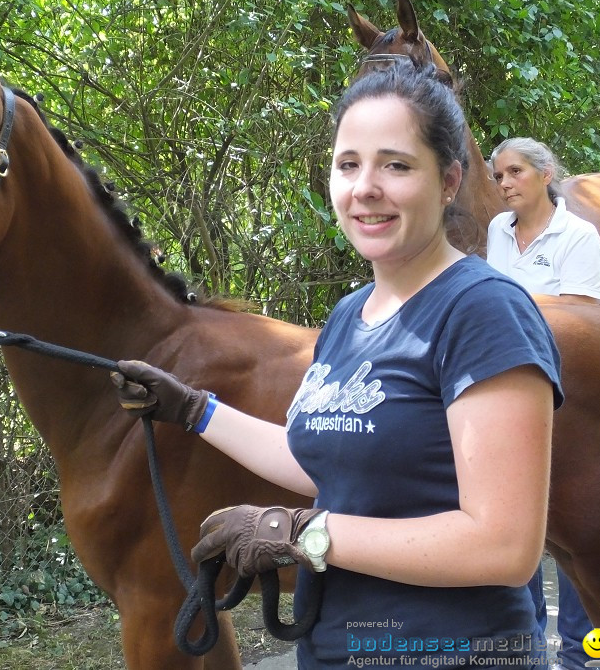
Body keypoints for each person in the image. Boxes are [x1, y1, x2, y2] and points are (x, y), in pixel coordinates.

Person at [112, 60, 562, 669]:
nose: (365, 187)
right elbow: (323, 457)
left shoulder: (483, 312)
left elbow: (504, 545)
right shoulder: (351, 315)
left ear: (450, 180)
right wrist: (193, 409)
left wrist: (297, 534)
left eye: (396, 165)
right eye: (348, 164)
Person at [486, 137, 600, 670]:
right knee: (517, 518)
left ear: (545, 172)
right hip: (505, 393)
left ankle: (580, 655)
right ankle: (528, 648)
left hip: (566, 398)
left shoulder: (577, 235)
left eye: (514, 172)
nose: (505, 183)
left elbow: (583, 316)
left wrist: (509, 304)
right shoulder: (496, 232)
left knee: (569, 525)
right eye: (498, 176)